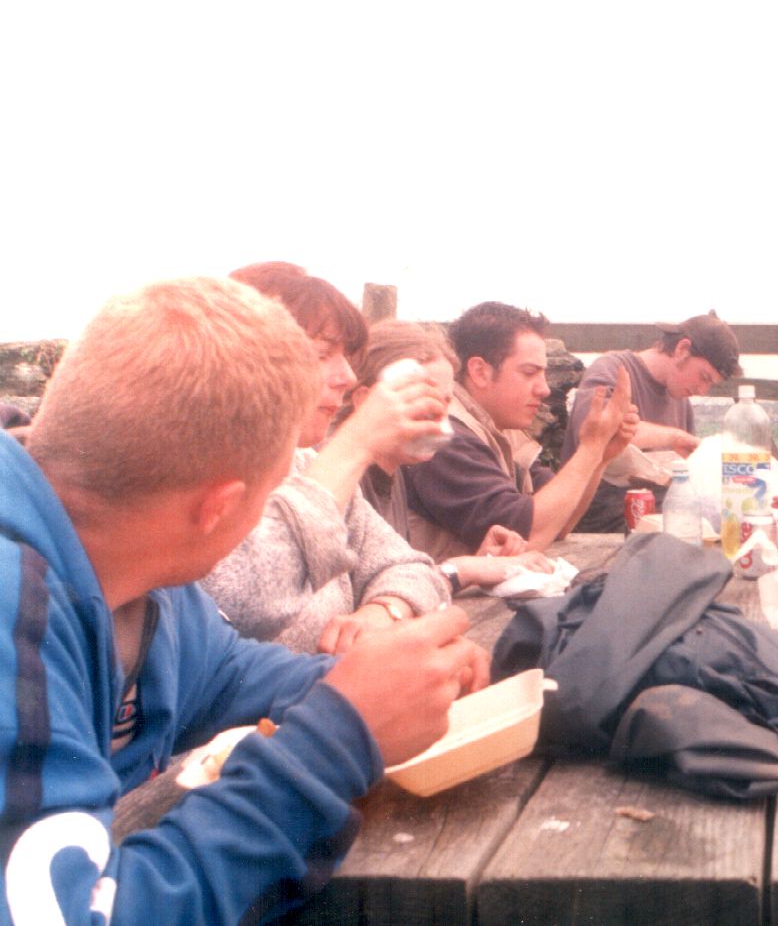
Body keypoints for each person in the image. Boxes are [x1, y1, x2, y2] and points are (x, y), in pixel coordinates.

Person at [1, 277, 486, 924]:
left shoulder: (145, 592)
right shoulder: (15, 615)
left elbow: (231, 677)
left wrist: (395, 683)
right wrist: (339, 738)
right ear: (221, 508)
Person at [200, 264, 455, 655]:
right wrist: (357, 440)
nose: (348, 376)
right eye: (322, 354)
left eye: (346, 356)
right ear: (243, 362)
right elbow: (244, 601)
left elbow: (411, 567)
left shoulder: (302, 463)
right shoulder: (195, 478)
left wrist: (384, 611)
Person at [403, 300, 639, 557]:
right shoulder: (444, 436)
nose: (545, 389)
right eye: (529, 373)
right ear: (479, 371)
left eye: (543, 374)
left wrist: (600, 455)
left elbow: (557, 523)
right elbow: (527, 536)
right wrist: (591, 447)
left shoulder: (502, 428)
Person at [349, 318, 555, 590]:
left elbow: (394, 578)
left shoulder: (393, 469)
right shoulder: (339, 480)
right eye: (425, 400)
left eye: (446, 403)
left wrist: (477, 563)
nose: (442, 424)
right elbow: (358, 602)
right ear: (365, 400)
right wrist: (464, 569)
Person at [561, 313, 740, 533]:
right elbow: (595, 431)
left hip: (657, 516)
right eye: (704, 377)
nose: (702, 390)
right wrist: (674, 437)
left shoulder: (680, 402)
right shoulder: (613, 370)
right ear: (682, 350)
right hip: (594, 516)